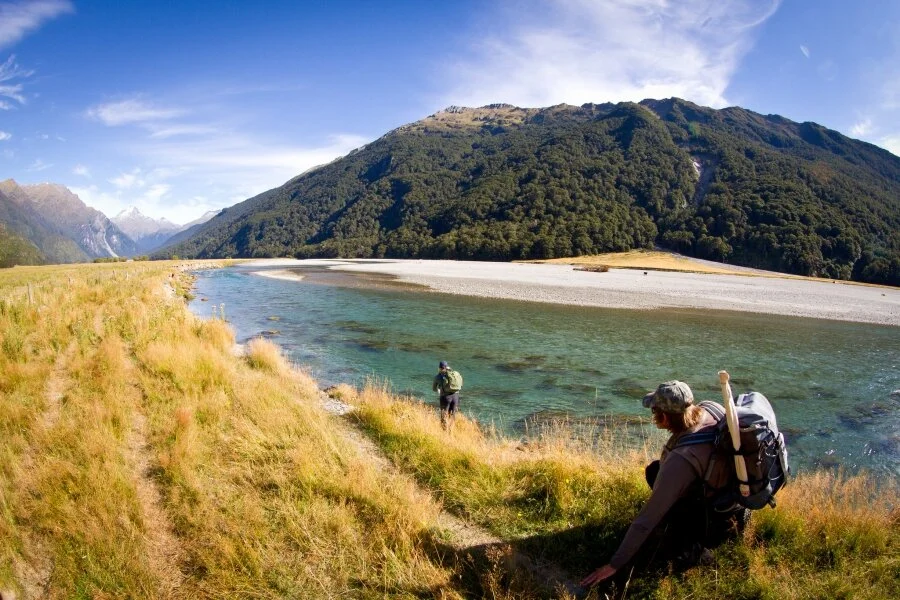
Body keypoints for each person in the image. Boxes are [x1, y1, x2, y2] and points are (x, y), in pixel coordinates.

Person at [580, 380, 748, 588]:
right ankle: (729, 522)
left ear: (665, 417)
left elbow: (646, 520)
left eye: (654, 411)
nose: (653, 416)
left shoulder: (681, 461)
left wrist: (615, 564)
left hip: (713, 516)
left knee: (667, 538)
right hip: (732, 499)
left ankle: (698, 551)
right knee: (654, 470)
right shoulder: (709, 409)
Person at [432, 360, 462, 430]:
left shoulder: (438, 377)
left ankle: (444, 431)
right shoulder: (454, 374)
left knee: (444, 415)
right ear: (447, 367)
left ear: (439, 368)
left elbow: (434, 389)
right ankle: (451, 431)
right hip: (455, 396)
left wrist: (438, 390)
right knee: (452, 414)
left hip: (445, 397)